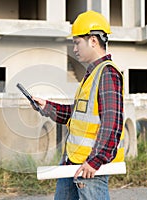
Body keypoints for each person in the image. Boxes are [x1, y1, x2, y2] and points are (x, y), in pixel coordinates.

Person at [32, 10, 125, 200]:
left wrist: (95, 161)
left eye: (77, 42)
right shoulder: (91, 75)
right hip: (73, 162)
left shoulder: (107, 74)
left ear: (93, 40)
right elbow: (77, 116)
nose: (74, 49)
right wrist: (46, 106)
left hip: (89, 167)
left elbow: (112, 123)